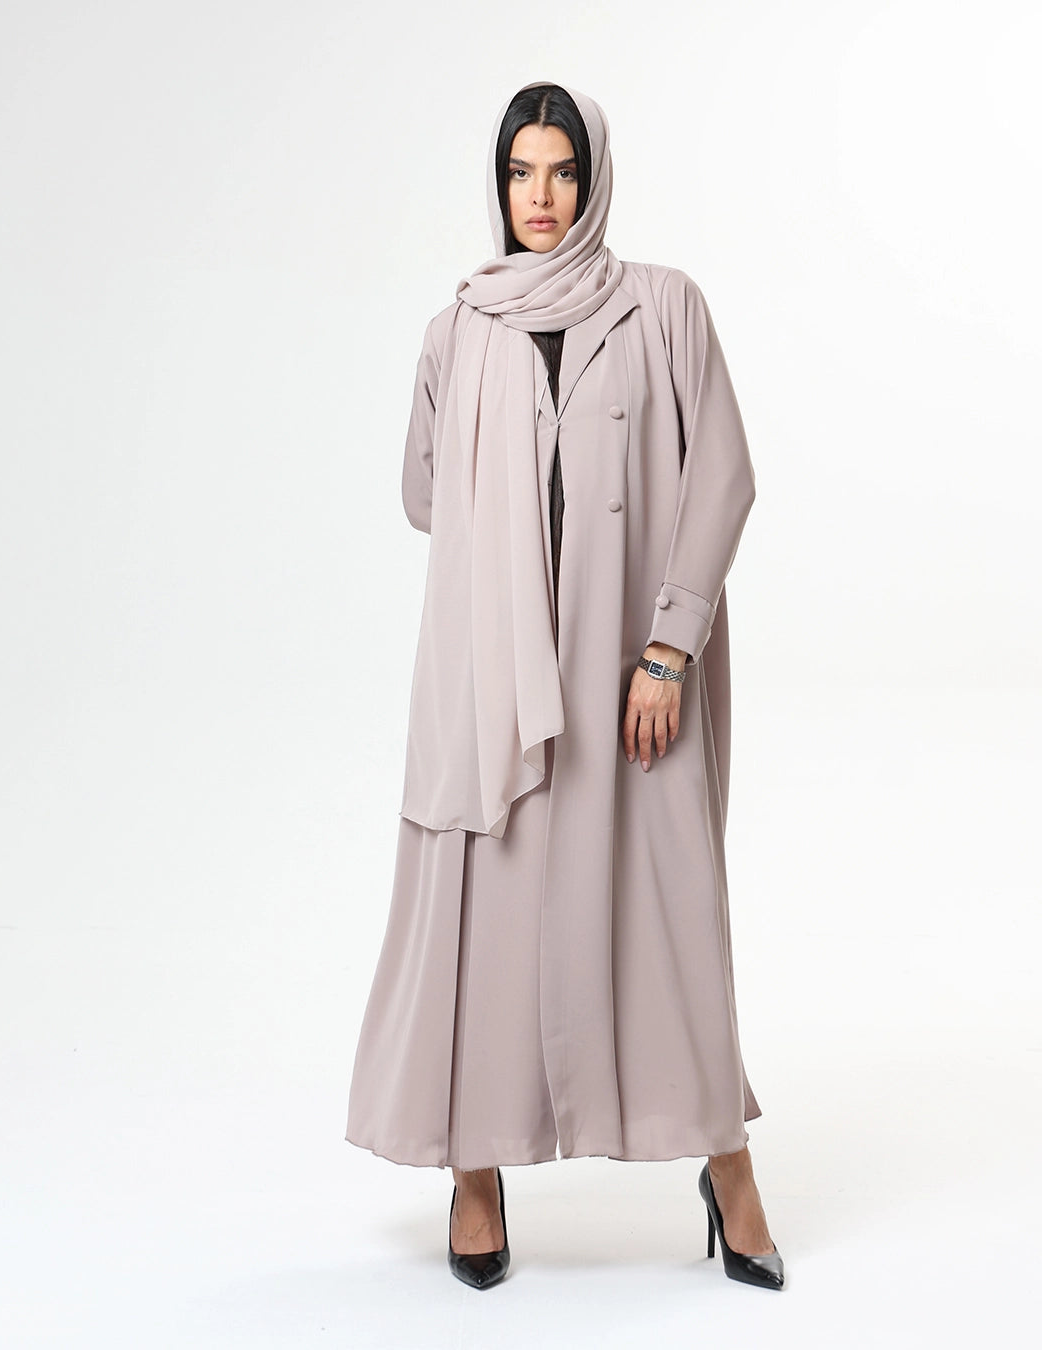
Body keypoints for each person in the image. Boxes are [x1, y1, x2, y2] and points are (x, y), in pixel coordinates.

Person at [345, 80, 785, 1293]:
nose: (540, 197)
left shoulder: (663, 306)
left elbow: (725, 477)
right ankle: (475, 1173)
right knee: (482, 920)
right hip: (494, 682)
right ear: (499, 184)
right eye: (520, 172)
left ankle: (729, 1169)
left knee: (671, 910)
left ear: (594, 181)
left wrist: (669, 646)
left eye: (562, 171)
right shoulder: (459, 329)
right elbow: (423, 496)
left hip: (634, 673)